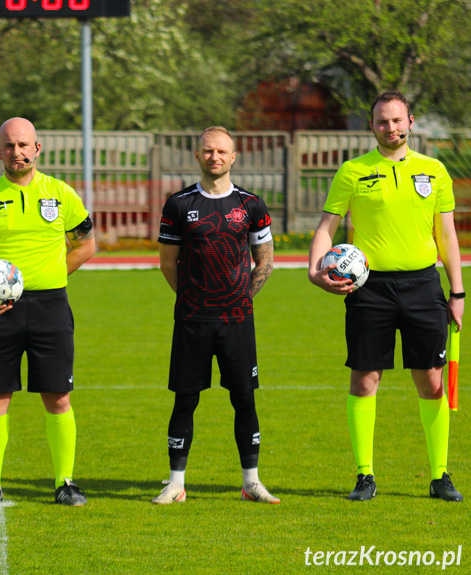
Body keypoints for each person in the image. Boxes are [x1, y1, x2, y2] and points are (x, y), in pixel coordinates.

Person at [309, 91, 464, 502]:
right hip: (369, 289)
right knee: (364, 380)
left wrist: (458, 291)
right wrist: (314, 269)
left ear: (410, 121)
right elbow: (327, 227)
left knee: (432, 382)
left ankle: (440, 476)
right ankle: (364, 476)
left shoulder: (435, 171)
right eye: (382, 121)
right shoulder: (353, 171)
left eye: (397, 120)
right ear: (372, 126)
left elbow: (446, 235)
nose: (390, 128)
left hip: (423, 286)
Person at [0, 117, 95, 507]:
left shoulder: (61, 193)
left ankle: (65, 482)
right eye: (9, 146)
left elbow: (86, 245)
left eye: (24, 145)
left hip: (51, 307)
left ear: (37, 149)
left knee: (58, 396)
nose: (16, 152)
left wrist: (52, 275)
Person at [155, 126, 279, 505]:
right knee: (185, 399)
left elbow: (266, 260)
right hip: (193, 320)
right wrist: (197, 298)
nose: (215, 157)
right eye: (208, 151)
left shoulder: (252, 205)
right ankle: (176, 483)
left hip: (238, 320)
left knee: (244, 399)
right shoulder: (178, 204)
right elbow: (167, 264)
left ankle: (252, 482)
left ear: (233, 157)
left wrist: (239, 297)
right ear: (197, 156)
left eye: (222, 151)